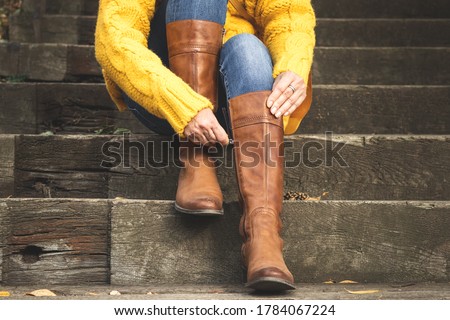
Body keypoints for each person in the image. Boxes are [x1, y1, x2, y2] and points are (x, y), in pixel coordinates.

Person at [95, 0, 316, 292]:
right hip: (164, 89)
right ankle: (197, 156)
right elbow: (115, 38)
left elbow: (289, 14)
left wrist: (293, 66)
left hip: (238, 94)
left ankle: (263, 233)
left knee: (249, 48)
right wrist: (182, 105)